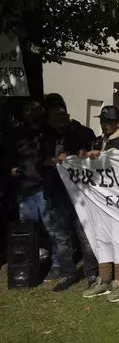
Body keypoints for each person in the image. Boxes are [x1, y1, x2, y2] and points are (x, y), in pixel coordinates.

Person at [81, 106, 119, 302]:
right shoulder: (98, 140)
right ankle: (104, 279)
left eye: (109, 121)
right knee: (102, 239)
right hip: (99, 199)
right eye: (103, 121)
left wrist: (103, 157)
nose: (104, 124)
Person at [41, 95, 97, 292]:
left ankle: (92, 272)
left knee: (85, 234)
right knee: (61, 236)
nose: (61, 118)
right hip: (56, 192)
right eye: (55, 116)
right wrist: (52, 161)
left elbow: (94, 159)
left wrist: (76, 156)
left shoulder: (84, 133)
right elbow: (37, 161)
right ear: (48, 119)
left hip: (81, 193)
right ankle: (68, 273)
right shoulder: (44, 136)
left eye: (63, 113)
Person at [7, 99, 59, 279]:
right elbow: (11, 157)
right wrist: (12, 169)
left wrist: (49, 162)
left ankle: (56, 264)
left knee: (51, 229)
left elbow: (55, 156)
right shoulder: (18, 133)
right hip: (24, 189)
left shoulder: (48, 132)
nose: (31, 112)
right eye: (27, 109)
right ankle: (30, 265)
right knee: (28, 230)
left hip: (43, 187)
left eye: (34, 109)